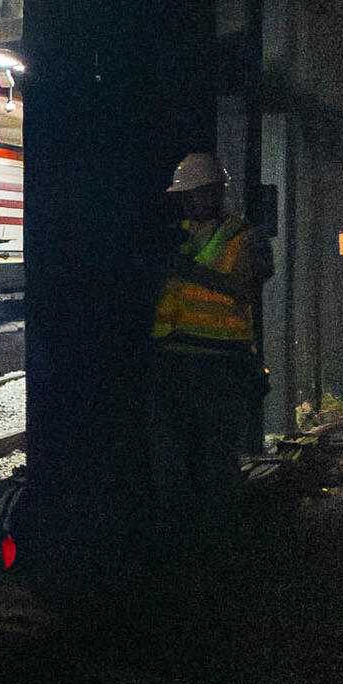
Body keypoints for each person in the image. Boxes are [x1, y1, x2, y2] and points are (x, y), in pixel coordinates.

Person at [146, 152, 273, 547]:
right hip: (175, 364)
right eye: (183, 196)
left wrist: (184, 268)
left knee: (217, 461)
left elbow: (245, 288)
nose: (187, 203)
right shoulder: (181, 234)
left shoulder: (244, 237)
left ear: (215, 193)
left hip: (220, 368)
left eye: (194, 194)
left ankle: (221, 543)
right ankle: (184, 541)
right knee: (175, 460)